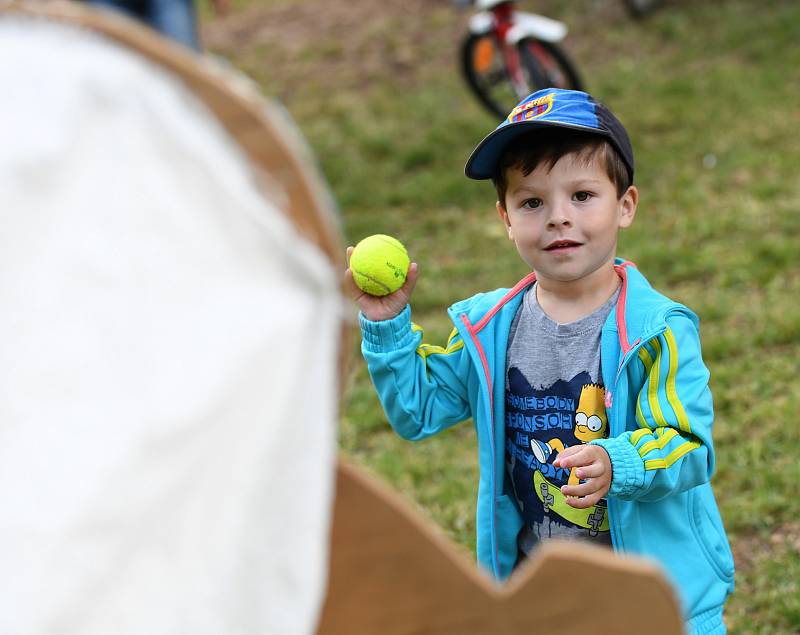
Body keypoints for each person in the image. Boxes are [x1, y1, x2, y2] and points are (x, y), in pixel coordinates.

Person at [344, 88, 734, 634]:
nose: (557, 218)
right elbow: (419, 410)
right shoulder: (493, 328)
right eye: (532, 203)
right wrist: (386, 326)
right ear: (505, 216)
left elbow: (687, 443)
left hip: (655, 602)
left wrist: (616, 463)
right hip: (546, 602)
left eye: (581, 195)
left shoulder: (657, 331)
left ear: (625, 205)